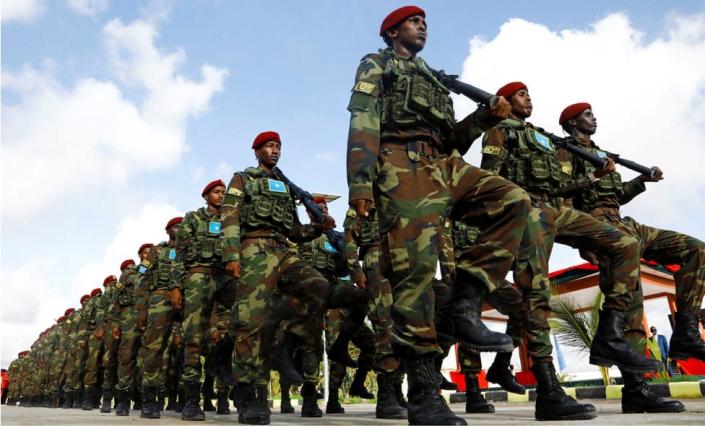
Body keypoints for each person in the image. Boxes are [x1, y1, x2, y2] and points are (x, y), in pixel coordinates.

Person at [346, 6, 529, 424]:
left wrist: (484, 118)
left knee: (514, 200)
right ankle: (425, 392)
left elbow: (453, 140)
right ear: (393, 31)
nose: (422, 25)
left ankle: (465, 302)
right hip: (400, 162)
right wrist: (360, 182)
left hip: (444, 164)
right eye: (414, 21)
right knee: (417, 274)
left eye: (425, 21)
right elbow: (363, 118)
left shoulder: (434, 78)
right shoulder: (377, 63)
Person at [480, 82, 662, 421]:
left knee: (624, 244)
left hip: (555, 210)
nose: (528, 98)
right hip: (527, 211)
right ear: (506, 101)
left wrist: (593, 179)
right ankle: (549, 391)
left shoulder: (542, 138)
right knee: (536, 292)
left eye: (530, 94)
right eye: (521, 95)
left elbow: (561, 187)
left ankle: (609, 332)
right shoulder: (498, 131)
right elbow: (488, 179)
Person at [559, 101, 702, 413]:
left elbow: (614, 195)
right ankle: (637, 390)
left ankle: (686, 332)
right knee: (630, 303)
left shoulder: (601, 153)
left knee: (695, 249)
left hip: (626, 223)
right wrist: (586, 242)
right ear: (571, 123)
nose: (593, 117)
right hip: (601, 228)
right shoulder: (565, 152)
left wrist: (641, 182)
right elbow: (563, 198)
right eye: (586, 114)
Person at [221, 131, 334, 424]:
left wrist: (318, 229)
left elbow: (294, 230)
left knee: (318, 286)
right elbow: (230, 217)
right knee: (250, 319)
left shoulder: (285, 187)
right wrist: (232, 255)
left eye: (279, 147)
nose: (275, 151)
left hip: (285, 250)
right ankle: (249, 392)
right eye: (270, 146)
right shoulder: (243, 179)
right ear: (256, 151)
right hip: (255, 249)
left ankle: (288, 341)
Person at [175, 179, 238, 421]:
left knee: (249, 313)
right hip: (198, 274)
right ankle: (191, 400)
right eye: (216, 192)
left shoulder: (231, 219)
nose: (221, 195)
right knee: (194, 336)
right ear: (206, 196)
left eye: (223, 192)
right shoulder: (193, 218)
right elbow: (179, 254)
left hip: (225, 276)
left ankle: (222, 353)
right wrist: (177, 286)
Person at [139, 216, 184, 419]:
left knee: (191, 346)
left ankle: (187, 397)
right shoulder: (157, 251)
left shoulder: (191, 248)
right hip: (159, 298)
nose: (181, 229)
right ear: (168, 231)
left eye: (183, 226)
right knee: (154, 348)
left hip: (187, 298)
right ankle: (149, 399)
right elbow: (142, 277)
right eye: (176, 226)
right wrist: (141, 309)